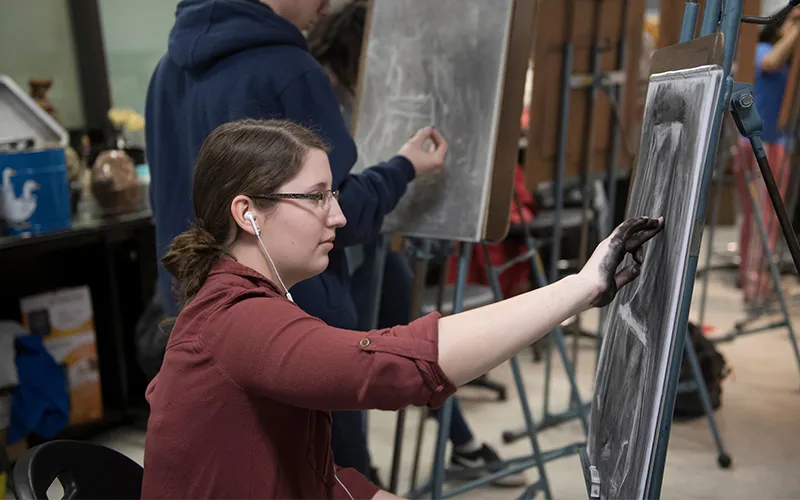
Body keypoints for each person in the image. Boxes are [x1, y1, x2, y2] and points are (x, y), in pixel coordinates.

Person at [141, 118, 664, 499]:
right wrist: (579, 288)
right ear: (248, 213)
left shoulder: (238, 301)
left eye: (333, 195)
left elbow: (298, 468)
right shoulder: (235, 319)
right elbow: (386, 367)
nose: (338, 215)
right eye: (317, 196)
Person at [307, 1, 524, 487]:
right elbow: (339, 191)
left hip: (370, 243)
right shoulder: (320, 90)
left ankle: (460, 444)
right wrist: (401, 170)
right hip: (340, 251)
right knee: (359, 365)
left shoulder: (338, 86)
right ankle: (364, 475)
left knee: (416, 344)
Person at [145, 0, 443, 325]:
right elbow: (336, 212)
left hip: (198, 312)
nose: (326, 9)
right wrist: (404, 167)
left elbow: (164, 200)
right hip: (290, 319)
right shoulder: (290, 69)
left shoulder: (165, 72)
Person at [733, 6, 800, 305]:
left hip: (777, 143)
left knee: (767, 218)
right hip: (759, 144)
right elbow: (771, 63)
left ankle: (758, 279)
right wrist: (796, 27)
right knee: (760, 218)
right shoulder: (762, 50)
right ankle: (754, 285)